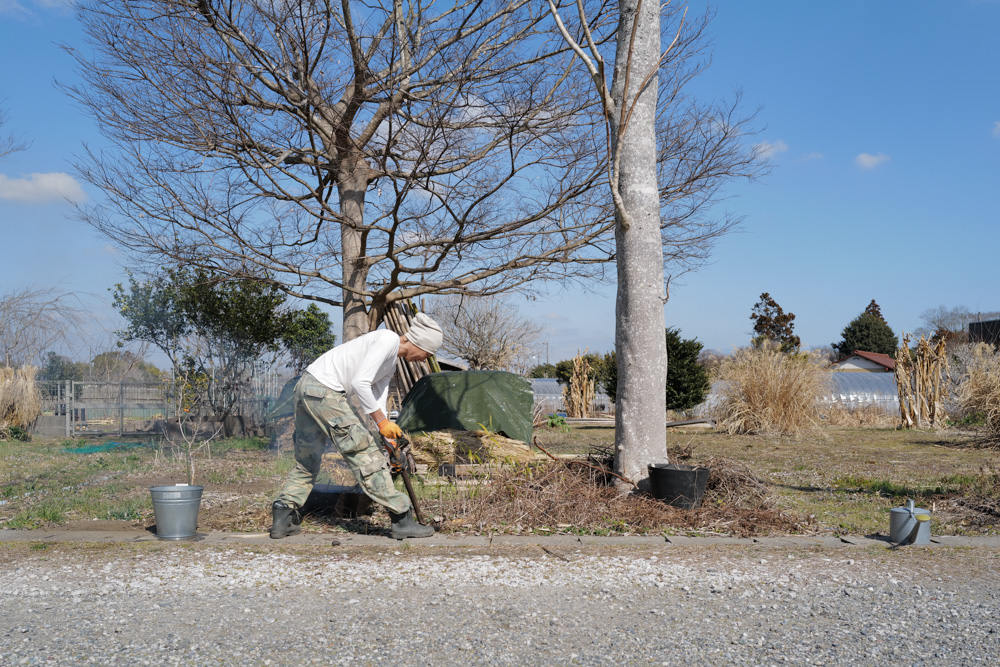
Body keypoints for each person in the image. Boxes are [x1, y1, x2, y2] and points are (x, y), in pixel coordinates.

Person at [270, 313, 443, 540]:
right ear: (418, 343)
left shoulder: (390, 360)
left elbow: (376, 396)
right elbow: (359, 383)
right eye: (426, 354)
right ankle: (401, 518)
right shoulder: (388, 339)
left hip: (306, 387)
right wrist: (381, 422)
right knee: (366, 455)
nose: (423, 359)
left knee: (307, 459)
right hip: (326, 392)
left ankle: (283, 517)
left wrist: (386, 431)